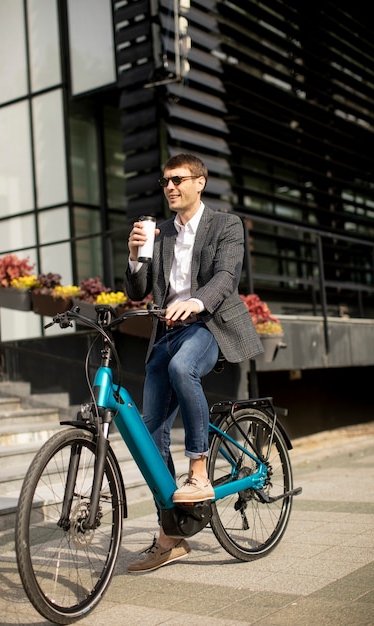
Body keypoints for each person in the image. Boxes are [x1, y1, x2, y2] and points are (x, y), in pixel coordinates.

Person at [124, 153, 263, 573]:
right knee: (149, 435)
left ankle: (199, 470)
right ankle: (171, 536)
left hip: (208, 325)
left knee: (184, 367)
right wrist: (134, 256)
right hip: (164, 331)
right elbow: (139, 289)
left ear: (199, 183)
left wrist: (195, 301)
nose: (170, 187)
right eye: (165, 181)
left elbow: (225, 277)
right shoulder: (160, 232)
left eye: (178, 179)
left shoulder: (225, 224)